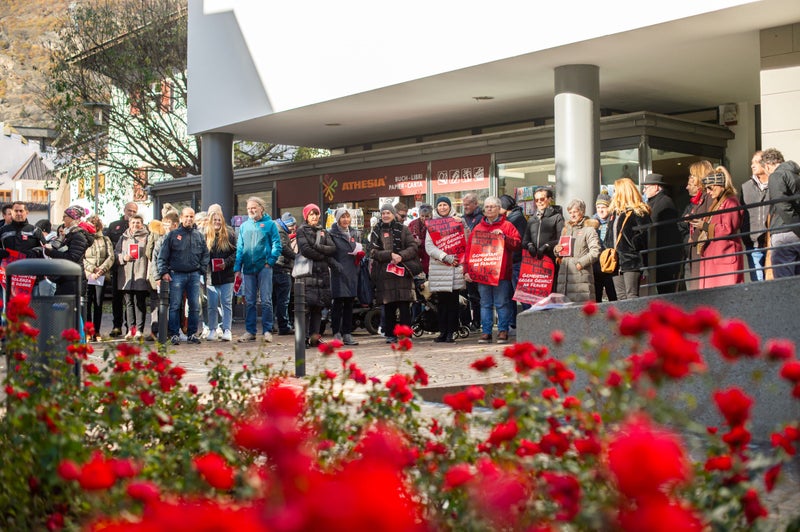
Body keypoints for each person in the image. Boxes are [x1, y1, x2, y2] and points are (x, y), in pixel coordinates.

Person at [465, 196, 521, 345]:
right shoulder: (478, 228)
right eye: (487, 207)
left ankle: (503, 330)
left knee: (502, 302)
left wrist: (504, 237)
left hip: (501, 273)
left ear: (499, 209)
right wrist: (467, 270)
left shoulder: (507, 226)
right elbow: (469, 250)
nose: (489, 209)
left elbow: (517, 244)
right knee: (485, 303)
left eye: (492, 207)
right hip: (483, 273)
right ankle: (486, 332)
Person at [158, 207, 209, 345]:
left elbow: (205, 254)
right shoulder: (173, 235)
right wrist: (163, 272)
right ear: (181, 218)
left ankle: (192, 334)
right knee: (175, 305)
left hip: (194, 275)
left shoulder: (199, 235)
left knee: (195, 306)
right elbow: (162, 255)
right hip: (177, 274)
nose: (189, 219)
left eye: (191, 216)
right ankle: (174, 334)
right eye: (186, 216)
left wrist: (201, 269)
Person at [233, 197, 282, 343]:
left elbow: (277, 245)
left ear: (261, 208)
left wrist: (270, 261)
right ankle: (250, 331)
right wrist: (237, 267)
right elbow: (240, 249)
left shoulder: (270, 225)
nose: (251, 211)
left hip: (264, 267)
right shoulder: (244, 226)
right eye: (248, 209)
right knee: (250, 301)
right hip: (248, 268)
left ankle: (267, 330)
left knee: (266, 300)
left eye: (254, 208)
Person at [370, 203, 418, 343]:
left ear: (393, 214)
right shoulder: (376, 231)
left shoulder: (403, 229)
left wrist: (400, 256)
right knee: (389, 306)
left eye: (388, 213)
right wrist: (390, 255)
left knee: (404, 307)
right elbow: (373, 251)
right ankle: (390, 334)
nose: (385, 215)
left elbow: (413, 247)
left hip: (402, 271)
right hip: (385, 274)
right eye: (383, 213)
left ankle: (405, 335)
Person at [690, 167, 744, 288]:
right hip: (715, 258)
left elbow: (727, 228)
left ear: (719, 185)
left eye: (710, 188)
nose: (708, 192)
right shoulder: (717, 202)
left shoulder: (731, 202)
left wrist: (704, 225)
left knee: (726, 294)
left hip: (724, 258)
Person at [425, 196, 466, 343]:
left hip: (455, 267)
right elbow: (429, 246)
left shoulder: (458, 220)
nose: (442, 207)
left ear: (450, 206)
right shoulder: (432, 224)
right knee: (441, 303)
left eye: (445, 205)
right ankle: (442, 332)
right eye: (440, 205)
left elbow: (466, 239)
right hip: (440, 268)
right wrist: (444, 257)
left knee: (453, 303)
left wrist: (464, 225)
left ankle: (452, 332)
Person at [296, 203, 337, 347]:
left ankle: (314, 337)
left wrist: (319, 249)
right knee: (305, 308)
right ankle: (303, 338)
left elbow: (332, 248)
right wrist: (323, 256)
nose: (314, 217)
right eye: (311, 214)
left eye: (316, 214)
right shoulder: (301, 230)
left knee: (318, 308)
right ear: (306, 216)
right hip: (307, 274)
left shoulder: (323, 231)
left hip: (322, 275)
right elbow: (305, 250)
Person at [604, 178, 651, 300]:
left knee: (631, 295)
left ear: (623, 192)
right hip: (614, 261)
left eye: (615, 191)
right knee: (620, 297)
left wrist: (633, 245)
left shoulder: (639, 212)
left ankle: (634, 319)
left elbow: (647, 235)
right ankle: (624, 319)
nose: (613, 194)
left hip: (631, 260)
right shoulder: (614, 213)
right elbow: (609, 236)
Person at [760, 148, 800, 278]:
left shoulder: (776, 175)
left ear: (767, 165)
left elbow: (782, 205)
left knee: (783, 279)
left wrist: (796, 226)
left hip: (784, 232)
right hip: (794, 233)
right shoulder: (795, 175)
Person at [640, 173, 683, 293]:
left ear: (657, 187)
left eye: (646, 187)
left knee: (665, 291)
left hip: (664, 258)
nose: (644, 191)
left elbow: (663, 232)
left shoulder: (664, 203)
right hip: (657, 257)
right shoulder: (654, 203)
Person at [554, 199, 600, 302]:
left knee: (581, 311)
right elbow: (560, 249)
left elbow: (595, 251)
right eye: (570, 212)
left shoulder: (589, 229)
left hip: (581, 277)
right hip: (564, 277)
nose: (572, 215)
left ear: (582, 212)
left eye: (575, 212)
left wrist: (581, 263)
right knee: (565, 313)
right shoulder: (566, 229)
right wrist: (557, 250)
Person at [329, 207, 362, 346]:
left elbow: (360, 246)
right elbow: (329, 255)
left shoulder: (355, 232)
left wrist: (360, 255)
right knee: (338, 303)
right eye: (343, 217)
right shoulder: (331, 234)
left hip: (352, 271)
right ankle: (336, 332)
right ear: (338, 219)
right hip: (338, 272)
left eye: (347, 217)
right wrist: (336, 266)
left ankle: (347, 333)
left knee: (349, 303)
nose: (346, 220)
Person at [522, 187, 564, 293]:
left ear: (549, 199)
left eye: (542, 199)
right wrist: (530, 245)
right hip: (534, 261)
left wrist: (547, 246)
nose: (539, 202)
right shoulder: (532, 219)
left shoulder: (557, 217)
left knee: (550, 291)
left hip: (550, 260)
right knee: (536, 293)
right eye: (537, 200)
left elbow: (561, 239)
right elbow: (525, 240)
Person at [105, 202, 138, 337]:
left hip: (133, 268)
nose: (131, 213)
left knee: (130, 299)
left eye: (134, 211)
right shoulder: (114, 225)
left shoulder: (140, 226)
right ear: (124, 210)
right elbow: (109, 245)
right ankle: (116, 325)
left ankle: (129, 326)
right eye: (129, 210)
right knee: (117, 298)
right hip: (117, 267)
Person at [44, 205, 93, 295]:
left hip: (73, 281)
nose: (62, 220)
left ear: (72, 218)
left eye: (64, 217)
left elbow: (72, 258)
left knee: (67, 308)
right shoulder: (69, 234)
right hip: (66, 279)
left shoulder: (78, 236)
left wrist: (52, 252)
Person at [678, 161, 713, 290]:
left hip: (704, 249)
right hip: (694, 248)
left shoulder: (709, 198)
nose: (689, 180)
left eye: (692, 176)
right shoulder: (696, 201)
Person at [115, 214, 150, 340]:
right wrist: (123, 258)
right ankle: (131, 329)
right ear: (129, 224)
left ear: (142, 224)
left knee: (139, 303)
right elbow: (116, 253)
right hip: (126, 276)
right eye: (133, 222)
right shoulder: (123, 238)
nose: (135, 225)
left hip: (140, 273)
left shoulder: (147, 237)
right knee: (128, 303)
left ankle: (139, 330)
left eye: (138, 223)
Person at [205, 205, 236, 342]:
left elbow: (236, 252)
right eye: (214, 220)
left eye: (219, 220)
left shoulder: (229, 234)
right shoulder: (205, 235)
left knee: (226, 303)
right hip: (211, 276)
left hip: (226, 275)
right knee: (211, 304)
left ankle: (227, 329)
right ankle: (212, 329)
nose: (217, 222)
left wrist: (226, 262)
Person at [739, 151, 770, 282]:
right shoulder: (746, 187)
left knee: (774, 280)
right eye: (752, 162)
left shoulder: (776, 184)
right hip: (753, 242)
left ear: (766, 164)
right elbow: (742, 214)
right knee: (757, 282)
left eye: (756, 162)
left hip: (771, 242)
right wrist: (745, 233)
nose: (752, 165)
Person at [83, 215, 114, 342]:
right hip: (88, 274)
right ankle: (88, 332)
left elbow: (111, 256)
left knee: (98, 303)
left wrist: (101, 270)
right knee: (87, 304)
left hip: (101, 276)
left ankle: (97, 331)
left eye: (94, 225)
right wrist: (92, 269)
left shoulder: (105, 239)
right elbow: (82, 257)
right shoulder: (83, 239)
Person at [461, 193, 483, 331]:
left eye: (468, 204)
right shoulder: (462, 219)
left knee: (477, 295)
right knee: (466, 294)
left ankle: (477, 321)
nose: (465, 207)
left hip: (478, 260)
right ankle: (466, 322)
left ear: (475, 204)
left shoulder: (481, 218)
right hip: (464, 260)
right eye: (464, 205)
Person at [274, 212, 297, 336]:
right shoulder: (281, 232)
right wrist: (296, 256)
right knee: (283, 300)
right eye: (292, 225)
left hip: (274, 268)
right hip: (282, 268)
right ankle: (284, 326)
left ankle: (270, 325)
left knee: (273, 299)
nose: (293, 228)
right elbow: (283, 247)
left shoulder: (276, 228)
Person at [591, 193, 617, 302]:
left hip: (610, 264)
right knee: (596, 298)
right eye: (598, 207)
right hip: (596, 265)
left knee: (613, 296)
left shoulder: (614, 221)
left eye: (604, 207)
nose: (600, 210)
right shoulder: (591, 223)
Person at [408, 204, 433, 276]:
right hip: (416, 257)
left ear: (431, 215)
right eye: (422, 216)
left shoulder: (434, 224)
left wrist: (422, 242)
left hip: (429, 258)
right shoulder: (412, 224)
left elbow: (436, 241)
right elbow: (407, 238)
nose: (424, 218)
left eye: (427, 216)